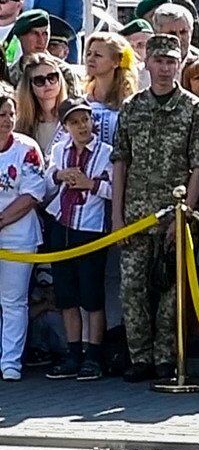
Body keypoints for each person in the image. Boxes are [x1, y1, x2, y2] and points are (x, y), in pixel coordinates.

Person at [111, 35, 199, 382]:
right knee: (132, 288)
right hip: (136, 214)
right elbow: (121, 161)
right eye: (159, 61)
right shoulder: (132, 107)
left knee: (171, 293)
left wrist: (186, 214)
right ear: (148, 64)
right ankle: (140, 357)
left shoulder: (192, 108)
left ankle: (167, 357)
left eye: (171, 61)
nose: (165, 68)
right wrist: (116, 215)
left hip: (174, 215)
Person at [41, 97, 113, 381]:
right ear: (66, 126)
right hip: (62, 224)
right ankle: (73, 353)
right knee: (66, 294)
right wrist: (60, 175)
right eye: (74, 121)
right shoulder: (59, 150)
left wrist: (91, 184)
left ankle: (94, 355)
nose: (82, 126)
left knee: (92, 295)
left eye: (85, 119)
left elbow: (116, 188)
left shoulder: (106, 152)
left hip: (91, 228)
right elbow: (46, 182)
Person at [0, 83, 45, 381]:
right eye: (0, 114)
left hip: (18, 236)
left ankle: (11, 361)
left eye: (10, 113)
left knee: (13, 301)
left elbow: (32, 194)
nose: (6, 119)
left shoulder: (27, 149)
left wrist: (1, 220)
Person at [82, 32, 138, 146]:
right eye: (89, 54)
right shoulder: (80, 103)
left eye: (97, 55)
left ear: (116, 61)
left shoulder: (131, 105)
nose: (90, 59)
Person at [14, 52, 68, 158]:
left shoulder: (73, 116)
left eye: (52, 77)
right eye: (39, 80)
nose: (47, 84)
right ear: (30, 86)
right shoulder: (21, 125)